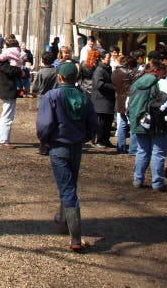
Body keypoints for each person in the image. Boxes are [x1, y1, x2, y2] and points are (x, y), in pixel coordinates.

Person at [36, 61, 99, 252]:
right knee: (69, 184)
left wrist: (45, 140)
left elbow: (45, 124)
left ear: (60, 77)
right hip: (77, 146)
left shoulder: (52, 96)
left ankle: (76, 238)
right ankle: (64, 220)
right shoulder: (84, 97)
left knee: (68, 189)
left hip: (58, 146)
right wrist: (84, 137)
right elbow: (94, 125)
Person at [127, 61, 167, 191]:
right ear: (156, 71)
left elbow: (129, 104)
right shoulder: (161, 83)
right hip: (158, 123)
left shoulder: (136, 83)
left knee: (142, 151)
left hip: (139, 123)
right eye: (162, 71)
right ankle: (157, 183)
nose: (164, 74)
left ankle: (138, 179)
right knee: (158, 153)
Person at [0, 38, 23, 147]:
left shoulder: (1, 59)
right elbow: (11, 71)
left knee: (5, 115)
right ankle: (4, 140)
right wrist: (22, 73)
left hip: (5, 89)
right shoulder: (4, 61)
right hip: (8, 90)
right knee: (8, 117)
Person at [112, 54, 139, 154]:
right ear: (131, 65)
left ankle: (120, 147)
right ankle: (133, 149)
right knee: (133, 125)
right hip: (129, 100)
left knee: (122, 124)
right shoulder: (130, 73)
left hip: (119, 100)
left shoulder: (114, 72)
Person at [90, 50, 116, 149]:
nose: (109, 60)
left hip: (108, 100)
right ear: (102, 59)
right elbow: (99, 84)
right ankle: (97, 140)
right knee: (101, 122)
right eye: (107, 58)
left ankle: (105, 139)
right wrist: (113, 86)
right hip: (100, 100)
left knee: (107, 122)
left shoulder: (108, 69)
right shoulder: (99, 70)